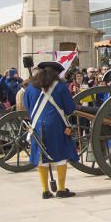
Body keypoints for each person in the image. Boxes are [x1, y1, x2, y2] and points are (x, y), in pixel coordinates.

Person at [23, 61, 79, 199]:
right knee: (60, 156)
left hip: (36, 125)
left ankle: (45, 191)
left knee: (41, 158)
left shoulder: (30, 87)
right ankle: (60, 189)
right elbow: (70, 108)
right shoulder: (60, 87)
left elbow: (27, 106)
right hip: (56, 126)